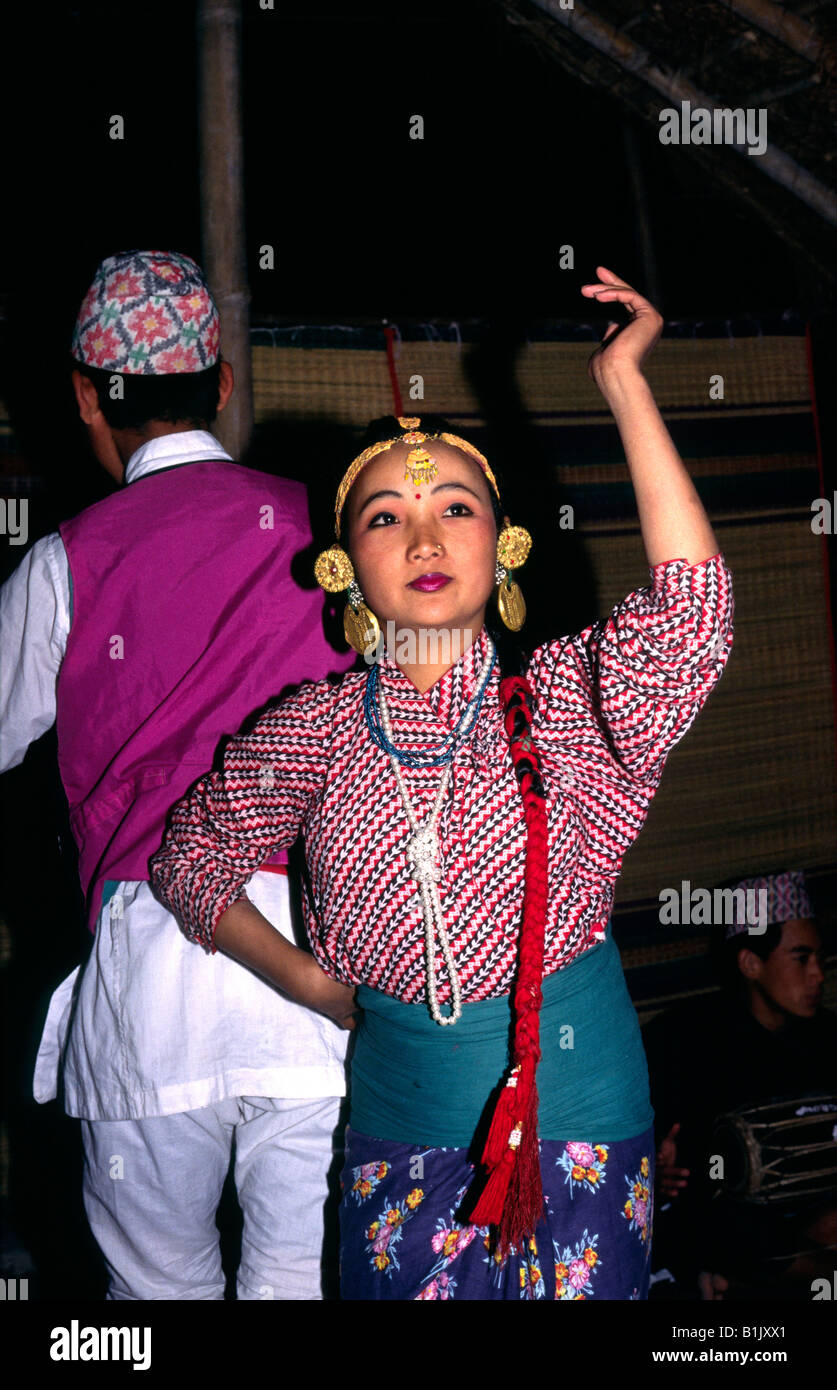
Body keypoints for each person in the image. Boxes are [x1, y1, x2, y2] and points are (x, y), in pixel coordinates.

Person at [151, 265, 734, 1300]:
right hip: (400, 1129)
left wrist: (625, 383)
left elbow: (690, 618)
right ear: (344, 568)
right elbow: (190, 856)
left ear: (503, 550)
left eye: (454, 507)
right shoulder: (312, 733)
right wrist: (307, 982)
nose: (422, 535)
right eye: (384, 517)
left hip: (580, 1120)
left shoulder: (564, 703)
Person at [0, 250, 355, 1300]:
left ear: (83, 395)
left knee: (158, 1301)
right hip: (322, 974)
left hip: (149, 983)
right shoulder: (336, 531)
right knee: (298, 1280)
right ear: (224, 381)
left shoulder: (64, 562)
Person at [645, 870, 837, 1300]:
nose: (818, 975)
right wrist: (651, 1165)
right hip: (735, 1223)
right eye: (801, 959)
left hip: (816, 1213)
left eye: (820, 959)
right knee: (720, 1231)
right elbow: (646, 1150)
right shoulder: (683, 1037)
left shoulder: (828, 1038)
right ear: (751, 963)